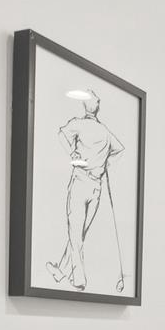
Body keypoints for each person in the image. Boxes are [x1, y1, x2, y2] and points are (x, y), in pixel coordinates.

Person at [46, 92, 127, 291]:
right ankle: (61, 272)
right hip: (96, 186)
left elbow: (61, 134)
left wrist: (72, 154)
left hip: (81, 181)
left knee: (75, 233)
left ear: (84, 106)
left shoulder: (78, 124)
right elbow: (120, 150)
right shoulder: (105, 131)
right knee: (79, 234)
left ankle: (79, 278)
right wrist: (105, 164)